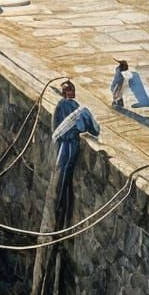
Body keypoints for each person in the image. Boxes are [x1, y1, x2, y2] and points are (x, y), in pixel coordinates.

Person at [52, 79, 100, 225]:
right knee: (66, 175)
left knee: (63, 175)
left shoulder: (63, 106)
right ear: (67, 92)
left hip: (64, 143)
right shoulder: (74, 107)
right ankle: (62, 213)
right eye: (70, 90)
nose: (73, 92)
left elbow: (56, 126)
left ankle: (60, 214)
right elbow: (92, 129)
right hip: (70, 143)